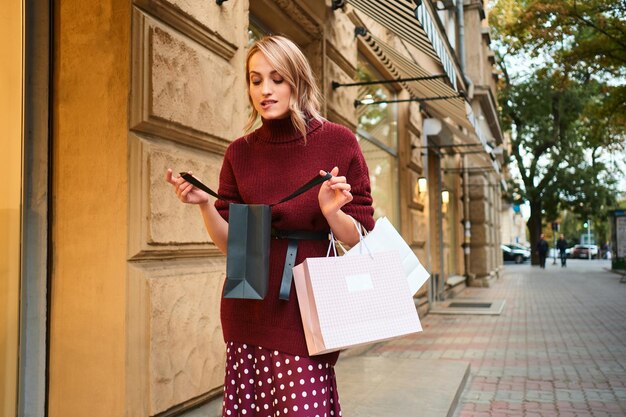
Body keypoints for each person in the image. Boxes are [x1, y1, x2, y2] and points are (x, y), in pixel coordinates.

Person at [165, 35, 375, 417]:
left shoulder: (338, 142)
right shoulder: (239, 152)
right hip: (247, 306)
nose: (265, 90)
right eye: (255, 79)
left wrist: (331, 212)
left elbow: (360, 236)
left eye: (277, 79)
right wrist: (204, 207)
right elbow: (233, 244)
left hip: (306, 309)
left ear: (298, 80)